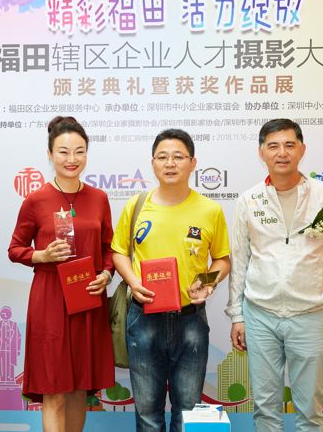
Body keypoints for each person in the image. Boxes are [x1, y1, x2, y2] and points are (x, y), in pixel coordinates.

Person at [226, 118, 323, 432]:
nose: (281, 153)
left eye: (289, 145)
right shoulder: (249, 200)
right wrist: (237, 315)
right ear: (261, 152)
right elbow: (240, 260)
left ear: (302, 149)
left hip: (311, 314)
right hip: (260, 314)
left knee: (310, 413)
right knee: (265, 410)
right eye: (273, 146)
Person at [111, 128, 230, 432]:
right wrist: (133, 281)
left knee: (188, 410)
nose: (170, 163)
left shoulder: (210, 210)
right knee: (147, 413)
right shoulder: (136, 205)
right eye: (162, 157)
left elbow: (223, 259)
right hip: (143, 318)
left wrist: (207, 282)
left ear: (193, 163)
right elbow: (119, 253)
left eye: (178, 157)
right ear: (152, 163)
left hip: (191, 320)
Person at [8, 116, 115, 432]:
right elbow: (15, 249)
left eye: (79, 151)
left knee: (79, 389)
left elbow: (109, 248)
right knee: (54, 390)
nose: (72, 159)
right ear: (50, 154)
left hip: (88, 300)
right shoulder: (36, 200)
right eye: (64, 152)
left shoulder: (99, 198)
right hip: (51, 301)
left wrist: (107, 274)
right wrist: (42, 255)